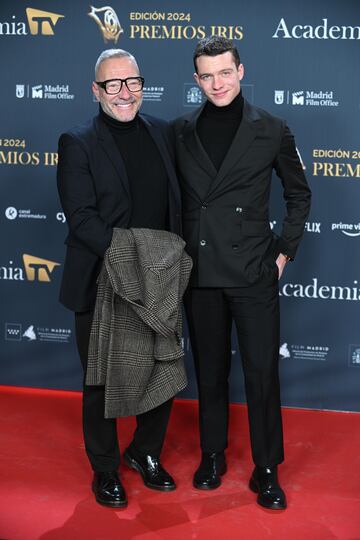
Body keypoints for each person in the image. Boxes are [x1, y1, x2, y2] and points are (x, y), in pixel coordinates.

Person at [172, 36, 311, 510]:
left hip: (253, 269)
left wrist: (283, 254)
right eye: (207, 75)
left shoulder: (271, 128)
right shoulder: (179, 130)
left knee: (262, 372)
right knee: (209, 372)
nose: (217, 83)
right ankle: (212, 455)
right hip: (201, 270)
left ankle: (267, 468)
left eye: (225, 72)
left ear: (241, 71)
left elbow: (299, 195)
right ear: (196, 80)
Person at [57, 49, 186, 508]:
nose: (124, 92)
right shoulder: (77, 141)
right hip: (101, 279)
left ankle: (145, 452)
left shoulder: (163, 132)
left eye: (131, 82)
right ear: (96, 91)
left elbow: (178, 203)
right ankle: (105, 468)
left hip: (159, 279)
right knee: (99, 383)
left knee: (162, 371)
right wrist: (136, 258)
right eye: (113, 84)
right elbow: (82, 219)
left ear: (141, 84)